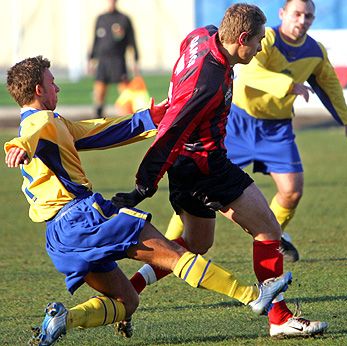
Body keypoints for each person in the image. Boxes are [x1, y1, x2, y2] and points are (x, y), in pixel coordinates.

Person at [3, 56, 293, 346]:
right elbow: (29, 134)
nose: (57, 88)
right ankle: (254, 296)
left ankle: (64, 319)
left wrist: (152, 117)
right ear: (39, 90)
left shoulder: (54, 124)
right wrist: (18, 146)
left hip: (59, 237)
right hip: (81, 218)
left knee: (127, 301)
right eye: (52, 82)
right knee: (174, 254)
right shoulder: (40, 122)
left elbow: (101, 130)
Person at [112, 3, 328, 338]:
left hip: (189, 168)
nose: (259, 49)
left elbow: (184, 69)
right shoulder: (208, 82)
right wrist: (142, 188)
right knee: (268, 229)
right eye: (256, 42)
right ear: (241, 38)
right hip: (206, 167)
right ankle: (280, 318)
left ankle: (128, 292)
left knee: (195, 245)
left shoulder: (201, 36)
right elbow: (170, 132)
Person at [163, 0, 347, 263]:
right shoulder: (264, 39)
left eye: (309, 16)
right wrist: (289, 85)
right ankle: (168, 245)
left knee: (292, 190)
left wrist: (346, 117)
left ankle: (273, 238)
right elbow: (251, 74)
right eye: (297, 14)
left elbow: (329, 82)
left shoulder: (315, 51)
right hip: (239, 123)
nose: (302, 20)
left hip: (276, 128)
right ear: (283, 14)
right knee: (195, 190)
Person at [88, 0, 139, 118]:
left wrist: (135, 59)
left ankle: (129, 119)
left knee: (125, 92)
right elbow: (95, 41)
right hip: (103, 60)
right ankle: (98, 118)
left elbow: (132, 40)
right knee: (99, 91)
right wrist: (91, 58)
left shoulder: (124, 19)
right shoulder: (101, 18)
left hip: (118, 60)